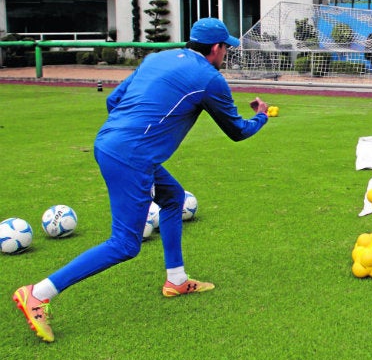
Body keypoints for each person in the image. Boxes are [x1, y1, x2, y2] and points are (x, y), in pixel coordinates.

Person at [13, 18, 270, 343]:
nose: (226, 54)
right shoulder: (210, 78)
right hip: (130, 157)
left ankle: (176, 280)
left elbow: (112, 101)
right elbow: (237, 131)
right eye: (226, 49)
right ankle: (38, 293)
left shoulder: (159, 57)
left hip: (108, 142)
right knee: (124, 244)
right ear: (217, 49)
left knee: (173, 197)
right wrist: (261, 114)